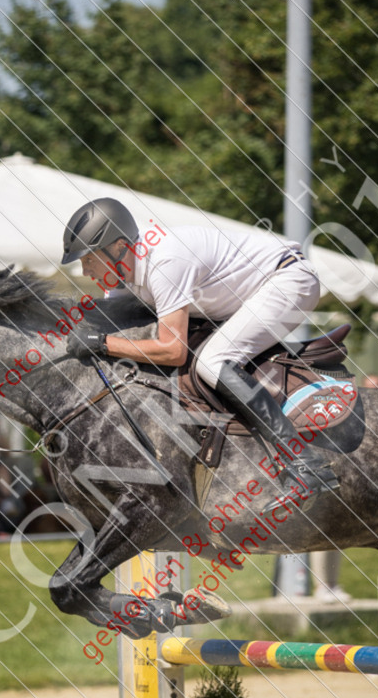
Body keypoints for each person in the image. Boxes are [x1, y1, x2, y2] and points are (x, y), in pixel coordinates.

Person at [61, 197, 340, 512]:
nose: (85, 270)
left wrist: (102, 343)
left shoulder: (165, 261)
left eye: (89, 260)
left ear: (119, 248)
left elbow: (172, 350)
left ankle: (305, 464)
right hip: (254, 290)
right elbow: (112, 320)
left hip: (290, 281)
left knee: (212, 362)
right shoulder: (128, 273)